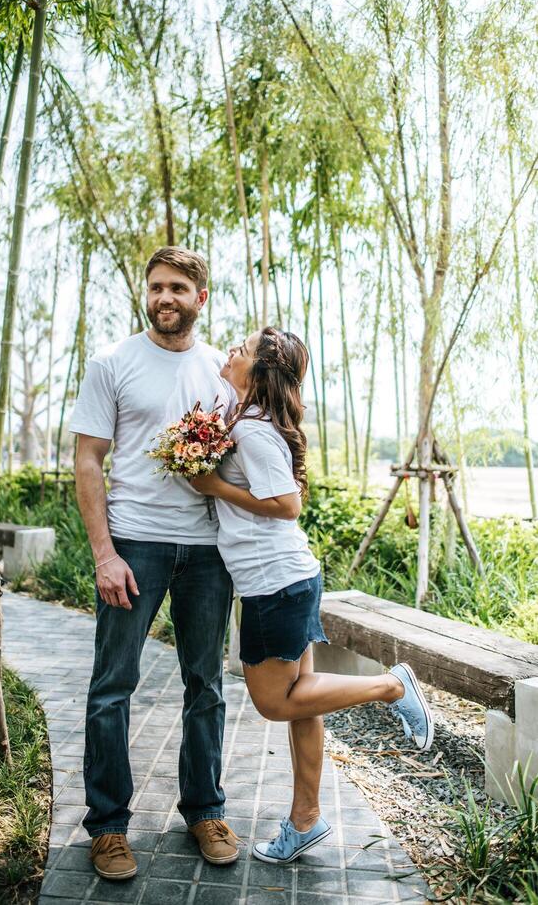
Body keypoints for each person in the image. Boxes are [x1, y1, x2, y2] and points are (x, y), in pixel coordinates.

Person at [191, 327, 434, 865]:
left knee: (275, 701)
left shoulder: (253, 431)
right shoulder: (246, 418)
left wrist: (213, 487)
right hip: (286, 579)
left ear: (259, 374)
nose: (232, 351)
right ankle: (305, 820)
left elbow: (287, 503)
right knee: (304, 700)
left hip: (273, 583)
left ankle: (392, 686)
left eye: (244, 350)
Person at [70, 246, 239, 882]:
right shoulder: (113, 362)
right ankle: (109, 828)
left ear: (201, 298)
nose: (164, 297)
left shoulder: (224, 370)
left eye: (177, 288)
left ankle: (205, 810)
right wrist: (104, 553)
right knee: (112, 686)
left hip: (206, 553)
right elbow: (89, 459)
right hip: (134, 544)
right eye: (155, 287)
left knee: (207, 686)